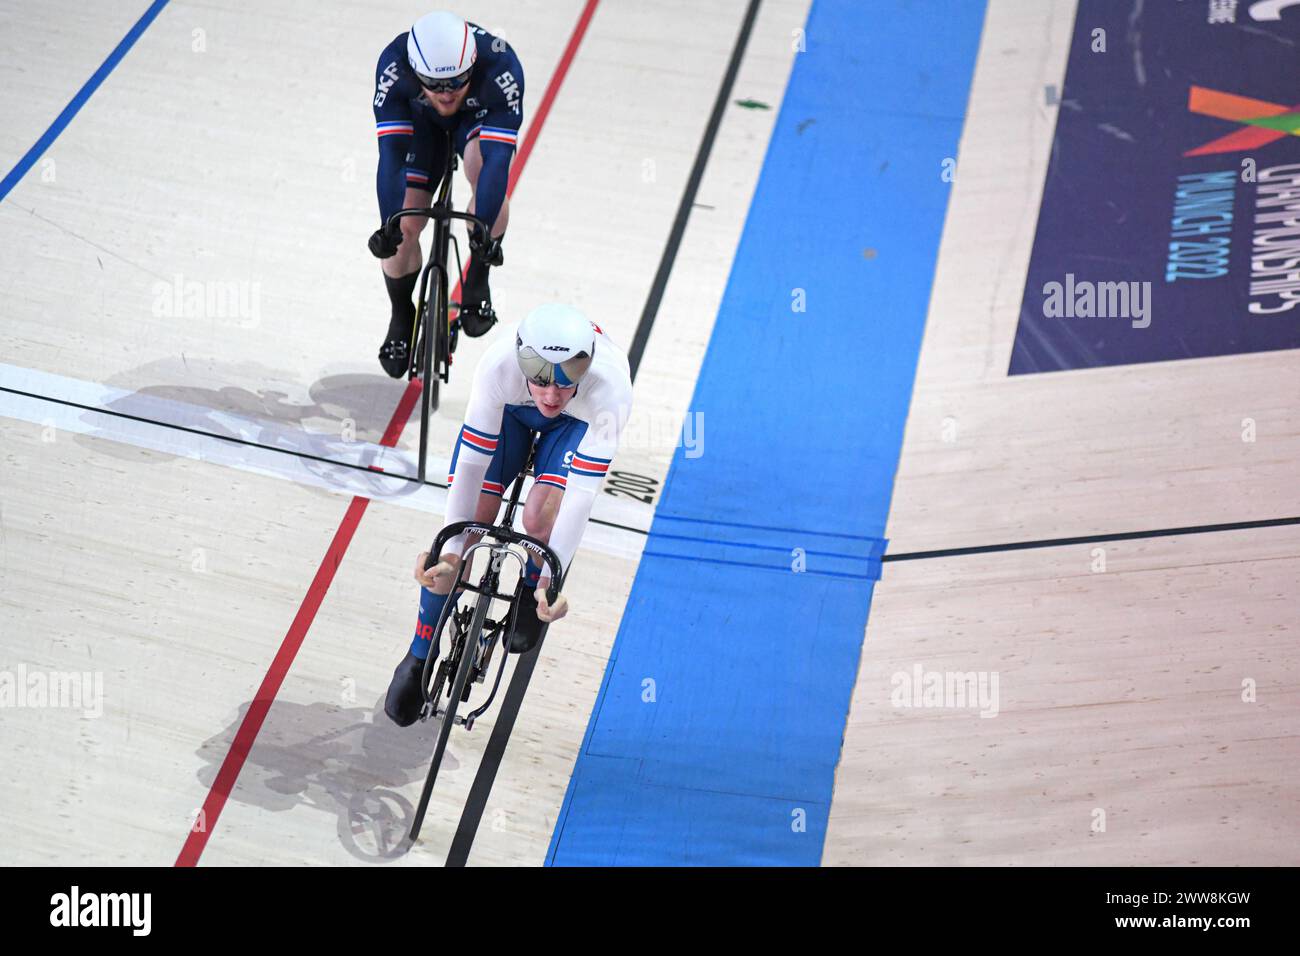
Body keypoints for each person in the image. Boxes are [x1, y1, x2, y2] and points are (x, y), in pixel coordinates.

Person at [384, 304, 634, 726]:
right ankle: (418, 652)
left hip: (575, 426)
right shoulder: (499, 366)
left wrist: (551, 582)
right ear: (523, 366)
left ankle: (528, 585)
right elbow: (470, 466)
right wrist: (449, 550)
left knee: (539, 516)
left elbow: (581, 497)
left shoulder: (609, 391)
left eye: (564, 383)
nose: (552, 396)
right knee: (473, 521)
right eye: (541, 382)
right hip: (512, 413)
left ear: (585, 370)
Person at [368, 11, 524, 377]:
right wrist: (387, 225)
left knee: (483, 169)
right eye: (434, 83)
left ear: (473, 64)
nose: (446, 92)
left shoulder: (501, 65)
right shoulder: (394, 66)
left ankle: (477, 279)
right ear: (414, 71)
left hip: (478, 117)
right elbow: (391, 155)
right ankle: (401, 313)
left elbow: (498, 160)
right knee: (405, 223)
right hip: (419, 123)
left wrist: (483, 229)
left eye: (456, 81)